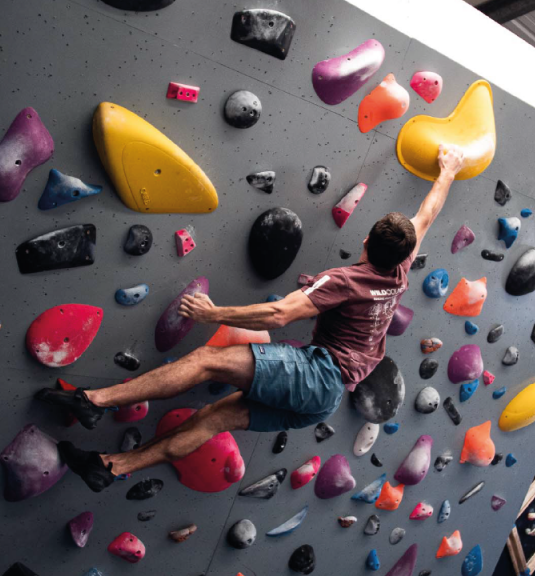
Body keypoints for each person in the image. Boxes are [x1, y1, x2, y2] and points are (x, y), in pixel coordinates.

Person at [36, 145, 466, 492]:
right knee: (215, 419)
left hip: (320, 375)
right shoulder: (399, 273)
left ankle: (91, 402)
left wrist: (211, 312)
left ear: (369, 240)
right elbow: (426, 215)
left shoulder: (346, 279)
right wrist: (446, 172)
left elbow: (280, 314)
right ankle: (111, 466)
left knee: (206, 362)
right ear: (403, 253)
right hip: (325, 402)